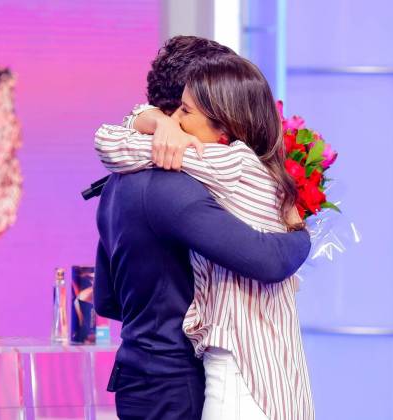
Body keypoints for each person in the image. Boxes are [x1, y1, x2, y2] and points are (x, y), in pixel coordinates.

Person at [94, 36, 311, 420]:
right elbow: (269, 260)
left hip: (135, 375)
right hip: (179, 382)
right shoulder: (179, 185)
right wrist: (298, 230)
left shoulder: (117, 181)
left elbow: (106, 300)